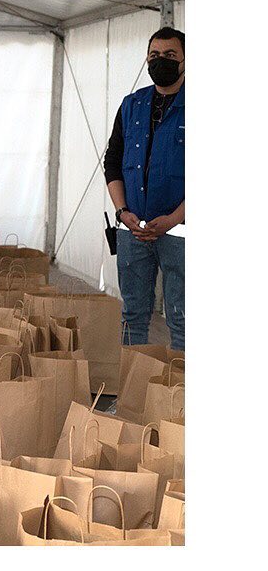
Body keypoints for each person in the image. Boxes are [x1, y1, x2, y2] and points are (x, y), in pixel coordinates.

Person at [103, 26, 185, 350]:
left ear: (185, 60)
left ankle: (181, 382)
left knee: (183, 318)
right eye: (154, 55)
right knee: (133, 315)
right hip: (133, 229)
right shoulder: (132, 105)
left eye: (170, 55)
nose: (161, 60)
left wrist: (174, 218)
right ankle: (134, 382)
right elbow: (113, 161)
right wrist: (122, 211)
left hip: (181, 231)